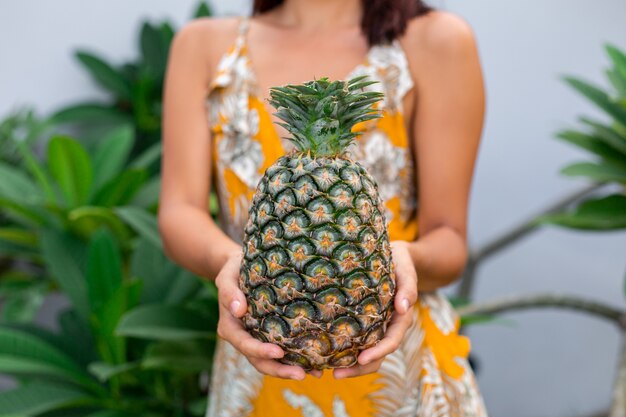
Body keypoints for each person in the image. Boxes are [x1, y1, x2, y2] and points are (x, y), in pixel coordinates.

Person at [158, 0, 488, 415]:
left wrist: (402, 259)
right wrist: (233, 265)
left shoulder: (436, 40)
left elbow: (450, 239)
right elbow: (178, 212)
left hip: (399, 381)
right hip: (257, 371)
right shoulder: (203, 45)